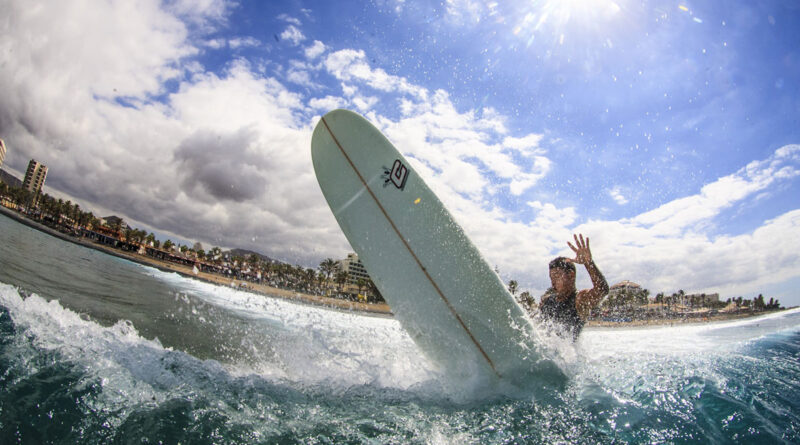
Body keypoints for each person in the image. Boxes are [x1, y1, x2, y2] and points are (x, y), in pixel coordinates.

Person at [537, 233, 609, 340]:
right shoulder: (547, 301)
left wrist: (588, 263)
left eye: (557, 277)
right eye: (551, 278)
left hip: (567, 355)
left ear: (571, 275)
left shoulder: (580, 300)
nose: (553, 282)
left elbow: (602, 290)